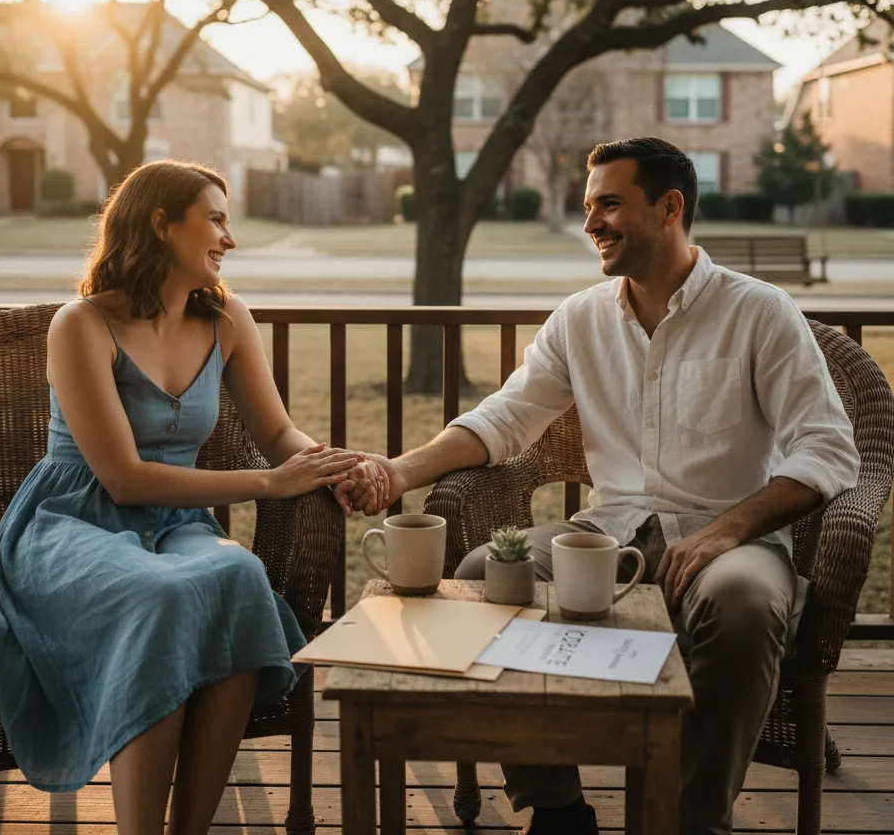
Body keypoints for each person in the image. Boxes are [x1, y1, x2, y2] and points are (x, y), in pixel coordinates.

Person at [337, 137, 860, 835]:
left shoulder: (760, 311)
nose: (591, 223)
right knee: (485, 574)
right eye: (588, 207)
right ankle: (557, 809)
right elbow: (505, 420)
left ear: (669, 207)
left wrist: (728, 529)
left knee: (744, 605)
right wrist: (399, 471)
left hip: (732, 536)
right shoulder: (579, 318)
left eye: (609, 204)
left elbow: (828, 447)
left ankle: (683, 820)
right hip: (607, 533)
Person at [0, 159, 386, 835]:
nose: (230, 238)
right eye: (216, 220)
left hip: (175, 526)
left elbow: (279, 432)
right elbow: (123, 478)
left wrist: (341, 465)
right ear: (162, 225)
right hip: (70, 521)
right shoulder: (81, 325)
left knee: (237, 575)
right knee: (161, 594)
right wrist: (268, 484)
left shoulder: (227, 318)